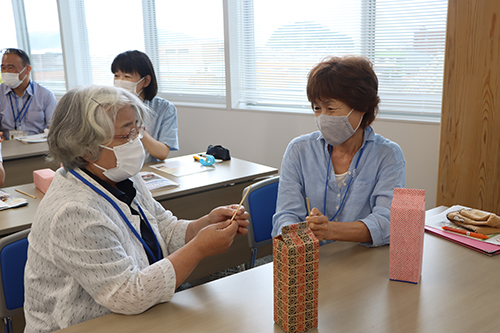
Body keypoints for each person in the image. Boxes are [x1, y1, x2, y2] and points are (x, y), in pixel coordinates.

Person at [23, 85, 249, 332]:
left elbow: (163, 228)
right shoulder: (73, 210)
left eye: (137, 130)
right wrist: (198, 248)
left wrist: (202, 225)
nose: (135, 141)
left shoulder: (122, 176)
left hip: (134, 315)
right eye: (125, 135)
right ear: (86, 147)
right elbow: (128, 294)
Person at [271, 55, 405, 247]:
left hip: (364, 259)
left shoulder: (387, 155)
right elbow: (286, 215)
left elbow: (387, 223)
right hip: (313, 259)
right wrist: (296, 238)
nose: (323, 117)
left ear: (363, 107)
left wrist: (330, 230)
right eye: (317, 108)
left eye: (331, 108)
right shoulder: (299, 150)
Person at [111, 50, 178, 163]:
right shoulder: (108, 106)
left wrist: (140, 132)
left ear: (146, 81)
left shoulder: (164, 108)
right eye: (116, 76)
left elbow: (162, 153)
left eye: (127, 76)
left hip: (146, 170)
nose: (120, 81)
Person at [0, 48, 56, 140]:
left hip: (38, 148)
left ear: (27, 69)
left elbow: (53, 129)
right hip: (7, 147)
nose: (6, 72)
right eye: (3, 68)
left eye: (11, 68)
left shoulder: (45, 95)